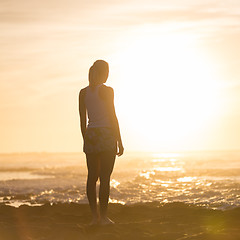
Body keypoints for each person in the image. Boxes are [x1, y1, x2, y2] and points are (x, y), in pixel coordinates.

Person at [79, 60, 124, 225]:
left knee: (92, 178)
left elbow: (82, 120)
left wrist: (86, 139)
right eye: (107, 71)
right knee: (105, 178)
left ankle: (94, 218)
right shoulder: (107, 90)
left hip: (91, 135)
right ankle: (103, 218)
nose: (108, 74)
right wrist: (119, 140)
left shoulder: (83, 92)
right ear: (103, 72)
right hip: (106, 134)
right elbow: (113, 116)